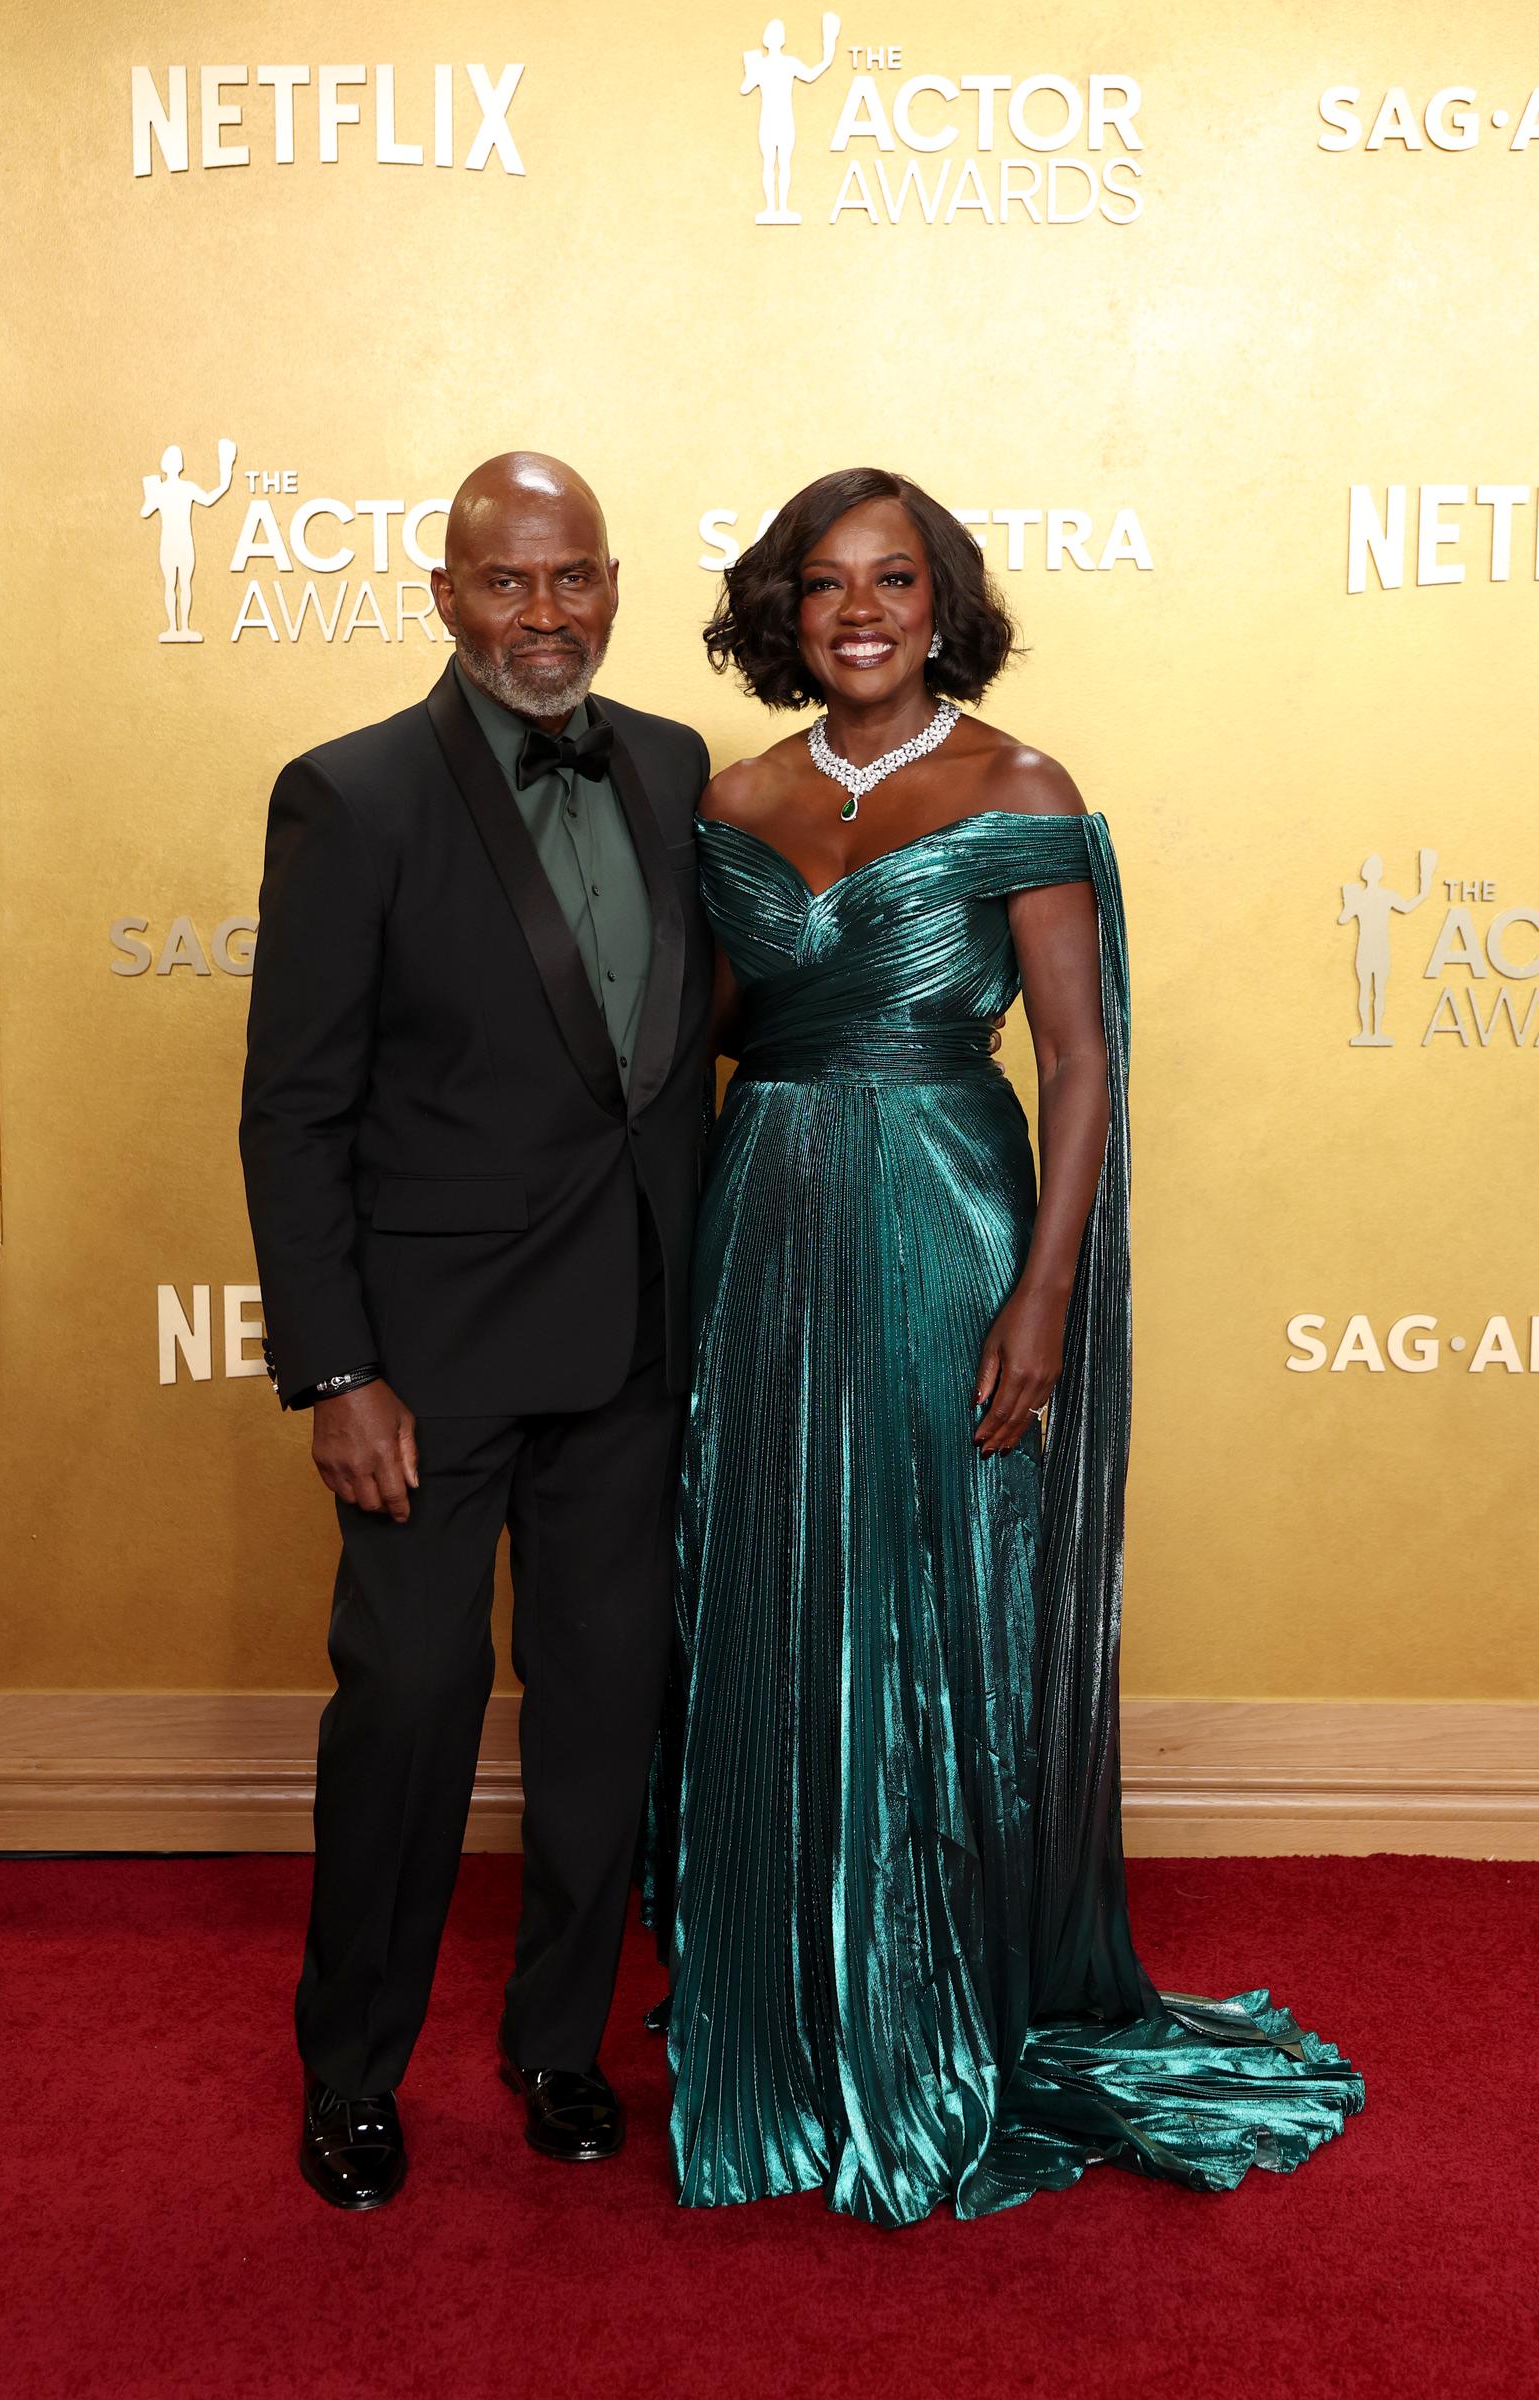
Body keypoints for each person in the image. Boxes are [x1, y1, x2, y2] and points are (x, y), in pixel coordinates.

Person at [650, 466, 1363, 2225]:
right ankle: (796, 1987)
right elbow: (704, 1032)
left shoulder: (1018, 786)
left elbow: (1083, 1065)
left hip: (951, 1218)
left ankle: (938, 1985)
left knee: (939, 1589)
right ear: (782, 612)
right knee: (776, 1572)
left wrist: (1042, 1292)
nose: (862, 612)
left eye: (896, 580)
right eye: (825, 586)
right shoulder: (732, 792)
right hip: (767, 1219)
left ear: (943, 600)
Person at [240, 452, 712, 2209]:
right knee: (414, 1705)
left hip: (637, 1340)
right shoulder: (350, 797)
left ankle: (560, 2044)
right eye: (507, 582)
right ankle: (351, 2074)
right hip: (424, 1369)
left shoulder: (671, 764)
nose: (546, 613)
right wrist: (338, 1369)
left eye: (574, 576)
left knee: (604, 1710)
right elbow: (293, 1108)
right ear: (444, 595)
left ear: (612, 583)